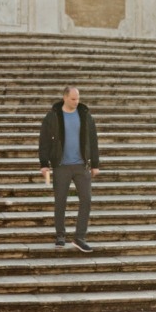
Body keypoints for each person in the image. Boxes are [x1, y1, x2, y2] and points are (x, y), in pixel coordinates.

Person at [39, 86, 100, 252]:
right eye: (73, 99)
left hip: (81, 165)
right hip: (61, 166)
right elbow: (44, 140)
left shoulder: (85, 115)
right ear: (65, 97)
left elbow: (93, 139)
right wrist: (44, 163)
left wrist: (95, 164)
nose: (76, 102)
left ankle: (80, 237)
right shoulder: (53, 116)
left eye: (78, 98)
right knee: (60, 201)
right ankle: (60, 235)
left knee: (86, 200)